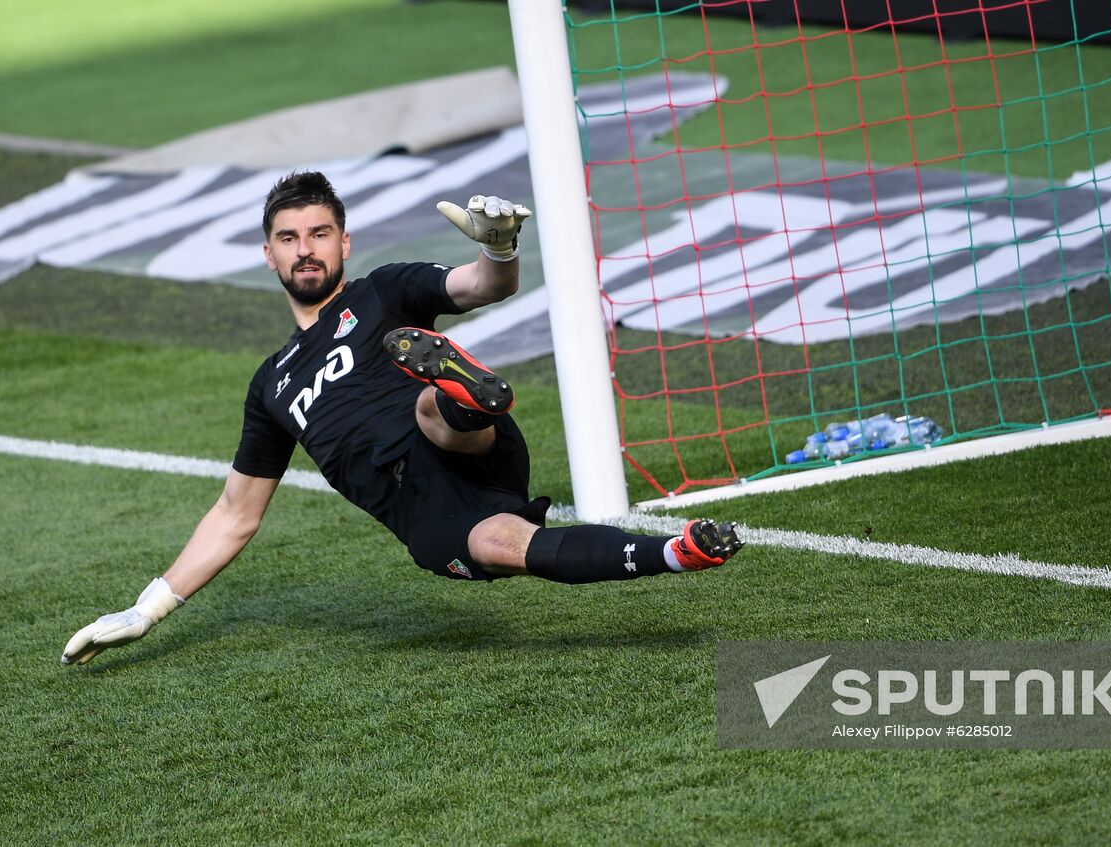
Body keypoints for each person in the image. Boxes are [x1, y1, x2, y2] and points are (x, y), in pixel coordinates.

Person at [61, 171, 743, 666]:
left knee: (424, 405)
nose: (305, 248)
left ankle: (458, 390)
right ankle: (680, 551)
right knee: (507, 546)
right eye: (289, 237)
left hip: (455, 436)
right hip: (420, 504)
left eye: (319, 233)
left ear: (344, 243)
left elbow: (481, 285)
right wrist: (147, 607)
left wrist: (500, 249)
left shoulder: (383, 291)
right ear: (267, 254)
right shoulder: (270, 385)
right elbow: (235, 513)